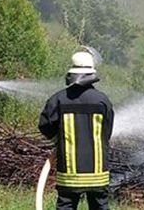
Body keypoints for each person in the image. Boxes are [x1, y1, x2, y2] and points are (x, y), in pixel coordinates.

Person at [39, 47, 114, 210]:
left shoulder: (58, 100)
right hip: (98, 175)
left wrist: (57, 139)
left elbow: (44, 126)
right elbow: (107, 132)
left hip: (69, 174)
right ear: (92, 74)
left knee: (66, 206)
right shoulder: (102, 101)